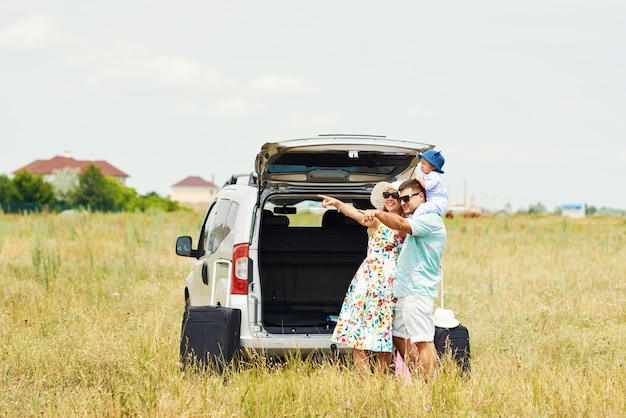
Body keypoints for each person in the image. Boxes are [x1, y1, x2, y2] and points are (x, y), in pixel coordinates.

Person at [362, 178, 447, 382]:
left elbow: (400, 223)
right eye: (402, 198)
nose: (404, 202)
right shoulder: (417, 221)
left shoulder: (430, 220)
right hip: (405, 291)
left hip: (417, 291)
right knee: (398, 336)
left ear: (422, 197)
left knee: (423, 340)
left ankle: (430, 388)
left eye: (407, 198)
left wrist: (378, 213)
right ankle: (419, 379)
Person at [318, 181, 405, 373]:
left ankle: (381, 383)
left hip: (393, 283)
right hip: (369, 280)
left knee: (385, 336)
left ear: (403, 200)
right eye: (386, 195)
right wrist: (338, 204)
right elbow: (356, 213)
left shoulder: (407, 224)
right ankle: (363, 382)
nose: (390, 198)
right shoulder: (376, 219)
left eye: (395, 196)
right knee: (359, 333)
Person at [412, 149, 448, 217]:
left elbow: (427, 186)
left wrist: (419, 179)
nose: (421, 166)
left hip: (438, 203)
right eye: (421, 163)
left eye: (424, 164)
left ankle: (413, 221)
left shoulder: (434, 175)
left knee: (422, 208)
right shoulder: (428, 175)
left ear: (433, 166)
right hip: (434, 203)